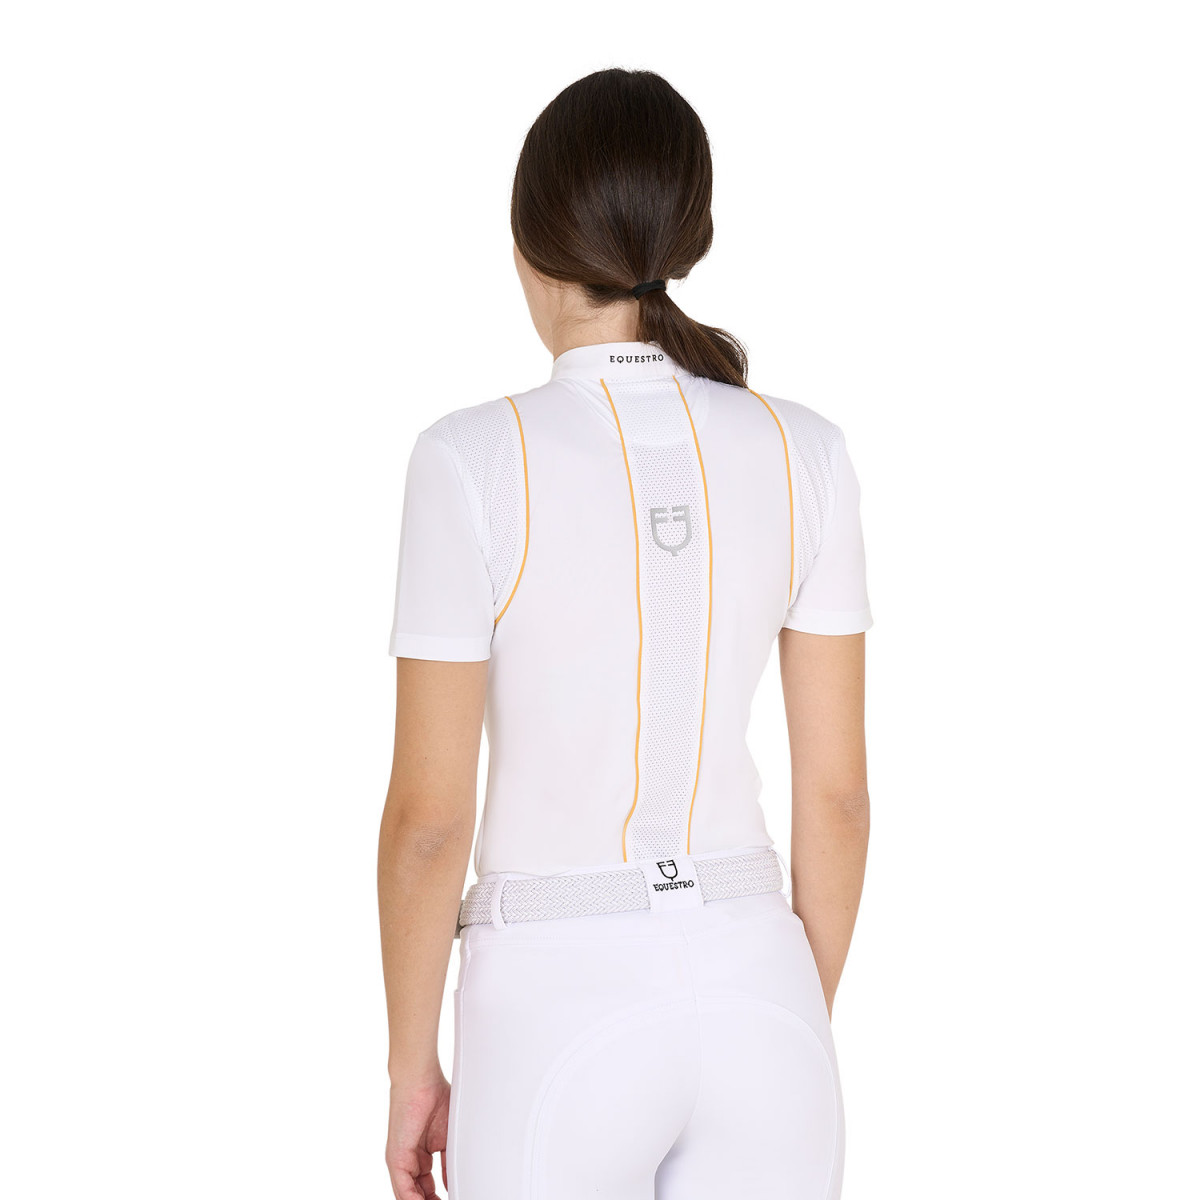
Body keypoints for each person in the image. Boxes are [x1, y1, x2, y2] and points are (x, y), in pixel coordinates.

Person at [378, 67, 873, 1200]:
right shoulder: (809, 452)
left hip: (553, 1000)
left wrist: (412, 1068)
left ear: (526, 242)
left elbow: (429, 820)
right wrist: (785, 1009)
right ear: (688, 235)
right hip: (764, 984)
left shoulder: (468, 461)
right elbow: (839, 798)